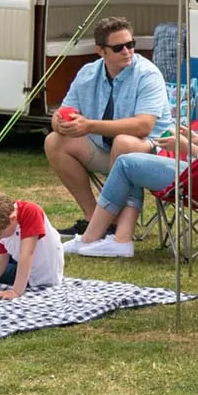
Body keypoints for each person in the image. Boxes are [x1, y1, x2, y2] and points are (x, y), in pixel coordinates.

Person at [65, 41, 198, 258]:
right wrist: (195, 137)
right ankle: (121, 238)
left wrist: (185, 147)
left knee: (126, 162)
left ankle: (92, 238)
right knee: (130, 162)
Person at [45, 16, 174, 236]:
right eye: (118, 47)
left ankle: (114, 224)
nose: (127, 51)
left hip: (150, 152)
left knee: (124, 143)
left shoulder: (148, 74)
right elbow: (63, 112)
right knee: (54, 141)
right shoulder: (87, 73)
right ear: (101, 51)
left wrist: (91, 126)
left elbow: (144, 126)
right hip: (106, 150)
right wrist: (59, 122)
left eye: (131, 44)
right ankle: (94, 219)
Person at [0, 191, 64, 300]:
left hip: (36, 274)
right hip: (17, 256)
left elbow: (27, 255)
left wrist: (15, 291)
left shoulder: (30, 212)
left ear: (13, 219)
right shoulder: (2, 222)